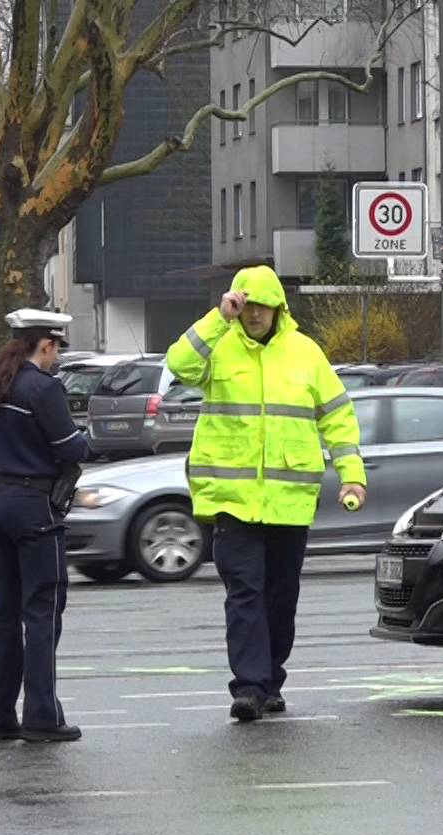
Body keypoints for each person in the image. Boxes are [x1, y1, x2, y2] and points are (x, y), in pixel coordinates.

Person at [166, 266, 366, 721]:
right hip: (233, 502)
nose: (254, 314)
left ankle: (271, 678)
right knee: (245, 593)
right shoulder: (219, 345)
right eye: (247, 304)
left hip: (289, 502)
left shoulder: (305, 353)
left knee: (280, 596)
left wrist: (352, 473)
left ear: (279, 307)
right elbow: (178, 363)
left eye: (262, 305)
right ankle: (250, 688)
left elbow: (337, 416)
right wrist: (218, 318)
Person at [0, 309, 90, 743]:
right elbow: (69, 447)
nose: (57, 357)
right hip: (34, 505)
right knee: (42, 612)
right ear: (46, 345)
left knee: (2, 614)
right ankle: (42, 715)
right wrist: (87, 440)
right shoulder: (42, 388)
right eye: (57, 348)